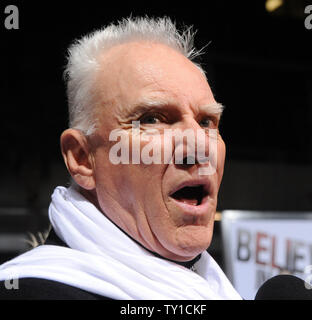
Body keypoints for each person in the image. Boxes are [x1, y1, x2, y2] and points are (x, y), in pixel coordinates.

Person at [0, 16, 241, 300]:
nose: (200, 147)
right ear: (82, 158)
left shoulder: (216, 290)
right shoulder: (24, 292)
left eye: (206, 121)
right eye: (152, 119)